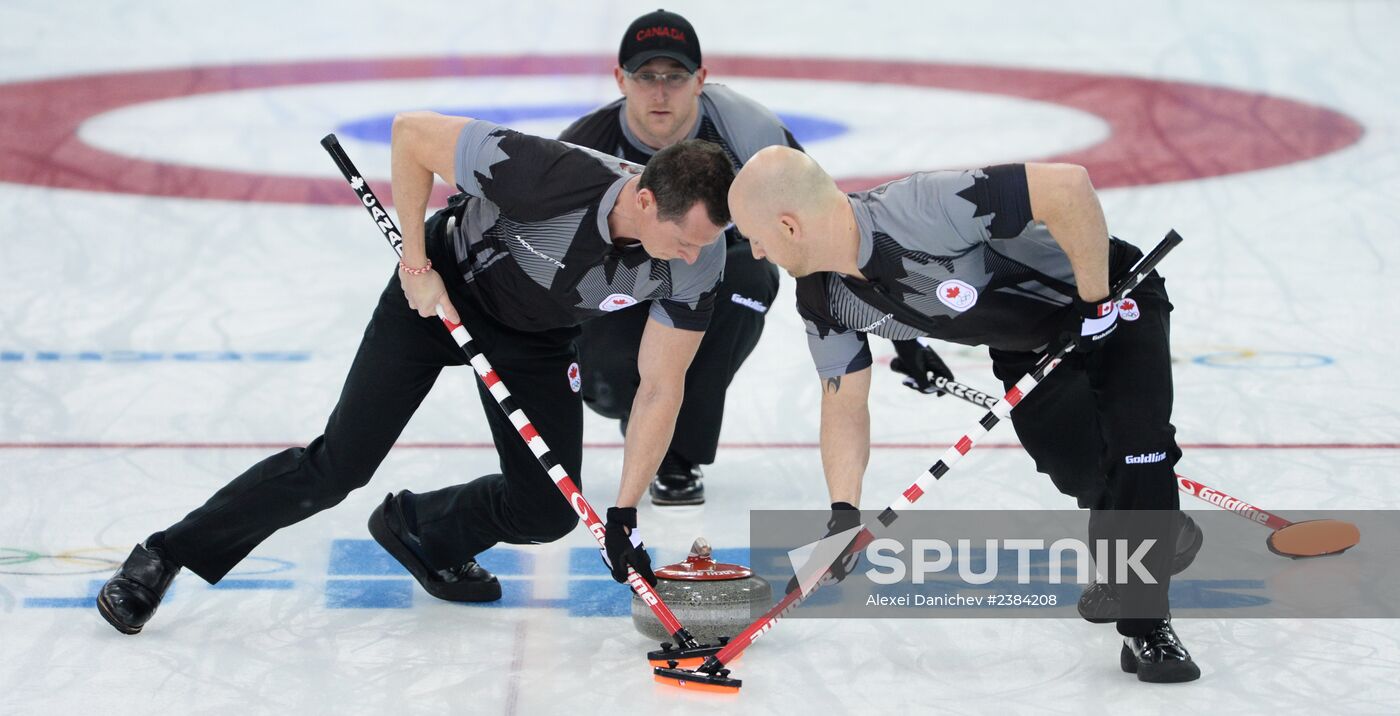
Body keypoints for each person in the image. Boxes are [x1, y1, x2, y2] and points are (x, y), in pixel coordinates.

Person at [95, 111, 735, 633]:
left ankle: (422, 532)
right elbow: (412, 134)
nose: (695, 256)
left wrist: (624, 513)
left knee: (547, 510)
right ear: (646, 200)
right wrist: (416, 261)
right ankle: (163, 554)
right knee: (339, 465)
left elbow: (660, 386)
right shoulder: (550, 173)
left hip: (535, 340)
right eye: (686, 238)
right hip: (437, 295)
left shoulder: (699, 260)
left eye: (707, 242)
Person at [725, 146, 1202, 683]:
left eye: (754, 235)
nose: (758, 252)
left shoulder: (926, 206)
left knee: (1138, 447)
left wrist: (1094, 304)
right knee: (1080, 470)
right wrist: (843, 513)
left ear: (788, 226)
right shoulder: (825, 298)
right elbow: (843, 403)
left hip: (1112, 299)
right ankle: (1147, 535)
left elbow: (1068, 186)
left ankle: (1146, 625)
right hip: (1029, 347)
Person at [559, 9, 953, 505]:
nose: (660, 92)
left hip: (721, 270)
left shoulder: (747, 128)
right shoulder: (582, 147)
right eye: (646, 77)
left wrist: (905, 332)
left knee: (748, 277)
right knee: (614, 385)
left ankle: (678, 455)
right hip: (623, 276)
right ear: (621, 79)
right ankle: (629, 405)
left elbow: (829, 226)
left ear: (701, 79)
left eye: (675, 77)